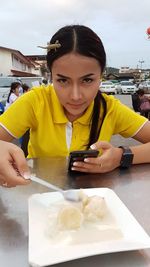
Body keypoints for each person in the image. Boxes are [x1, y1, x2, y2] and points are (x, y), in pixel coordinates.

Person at [0, 24, 150, 188]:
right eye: (63, 80)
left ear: (101, 76)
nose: (75, 96)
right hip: (39, 200)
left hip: (92, 201)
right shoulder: (35, 102)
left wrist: (121, 156)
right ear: (51, 76)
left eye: (87, 80)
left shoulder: (110, 109)